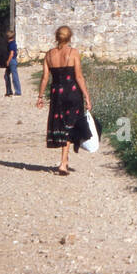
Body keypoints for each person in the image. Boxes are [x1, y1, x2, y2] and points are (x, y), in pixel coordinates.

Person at [35, 25, 91, 176]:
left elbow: (45, 77)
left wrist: (40, 96)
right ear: (70, 37)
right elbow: (79, 76)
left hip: (56, 94)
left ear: (56, 37)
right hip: (72, 93)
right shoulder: (73, 53)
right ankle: (64, 162)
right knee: (70, 125)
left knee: (61, 123)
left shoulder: (49, 55)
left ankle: (64, 160)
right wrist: (86, 95)